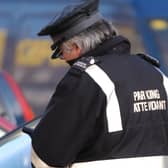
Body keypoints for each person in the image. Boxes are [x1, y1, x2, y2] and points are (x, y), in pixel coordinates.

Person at [31, 0, 168, 167]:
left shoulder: (86, 78)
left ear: (75, 47)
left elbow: (45, 157)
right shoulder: (156, 74)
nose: (63, 59)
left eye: (60, 52)